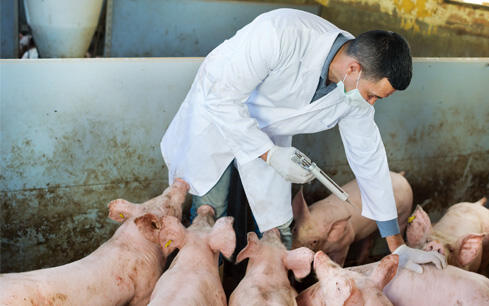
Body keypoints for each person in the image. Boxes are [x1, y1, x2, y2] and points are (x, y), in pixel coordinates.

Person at [161, 8, 446, 272]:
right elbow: (220, 96)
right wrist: (269, 155)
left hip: (270, 131)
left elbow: (369, 158)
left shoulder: (355, 92)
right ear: (353, 70)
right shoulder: (282, 33)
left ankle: (263, 288)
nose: (371, 103)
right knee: (210, 220)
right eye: (372, 95)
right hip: (216, 119)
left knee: (278, 228)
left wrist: (398, 247)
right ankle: (204, 286)